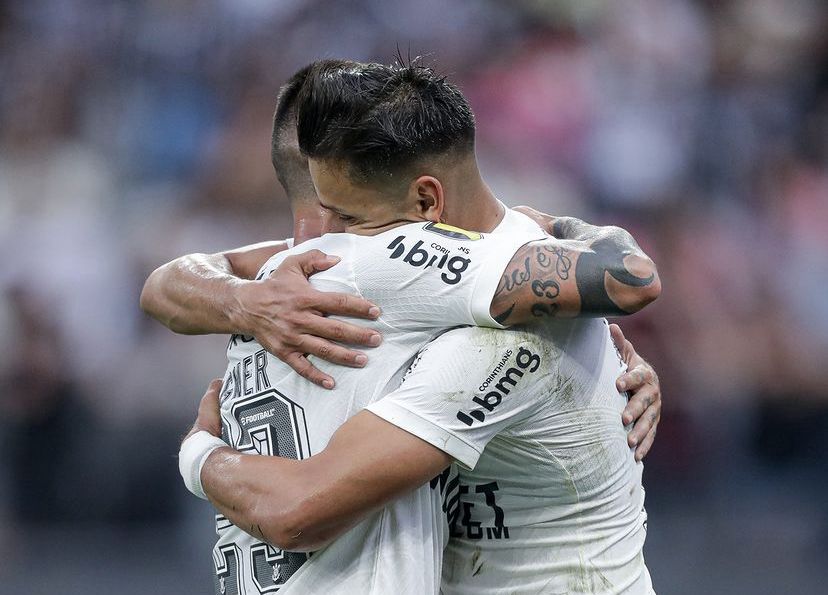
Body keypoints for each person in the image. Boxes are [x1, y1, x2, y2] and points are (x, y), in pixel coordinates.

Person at [147, 59, 661, 593]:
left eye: (343, 219)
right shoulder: (328, 270)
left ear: (424, 203)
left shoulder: (480, 311)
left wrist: (199, 450)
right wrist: (243, 303)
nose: (320, 245)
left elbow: (295, 509)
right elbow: (167, 283)